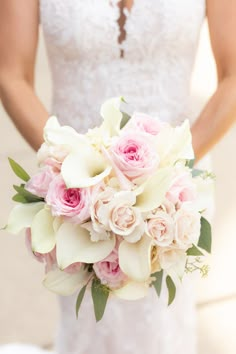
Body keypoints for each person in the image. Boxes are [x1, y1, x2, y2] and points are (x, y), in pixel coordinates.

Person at [0, 1, 235, 354]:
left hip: (177, 188)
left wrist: (169, 175)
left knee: (164, 323)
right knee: (90, 320)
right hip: (77, 197)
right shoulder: (75, 186)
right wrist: (75, 174)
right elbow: (11, 74)